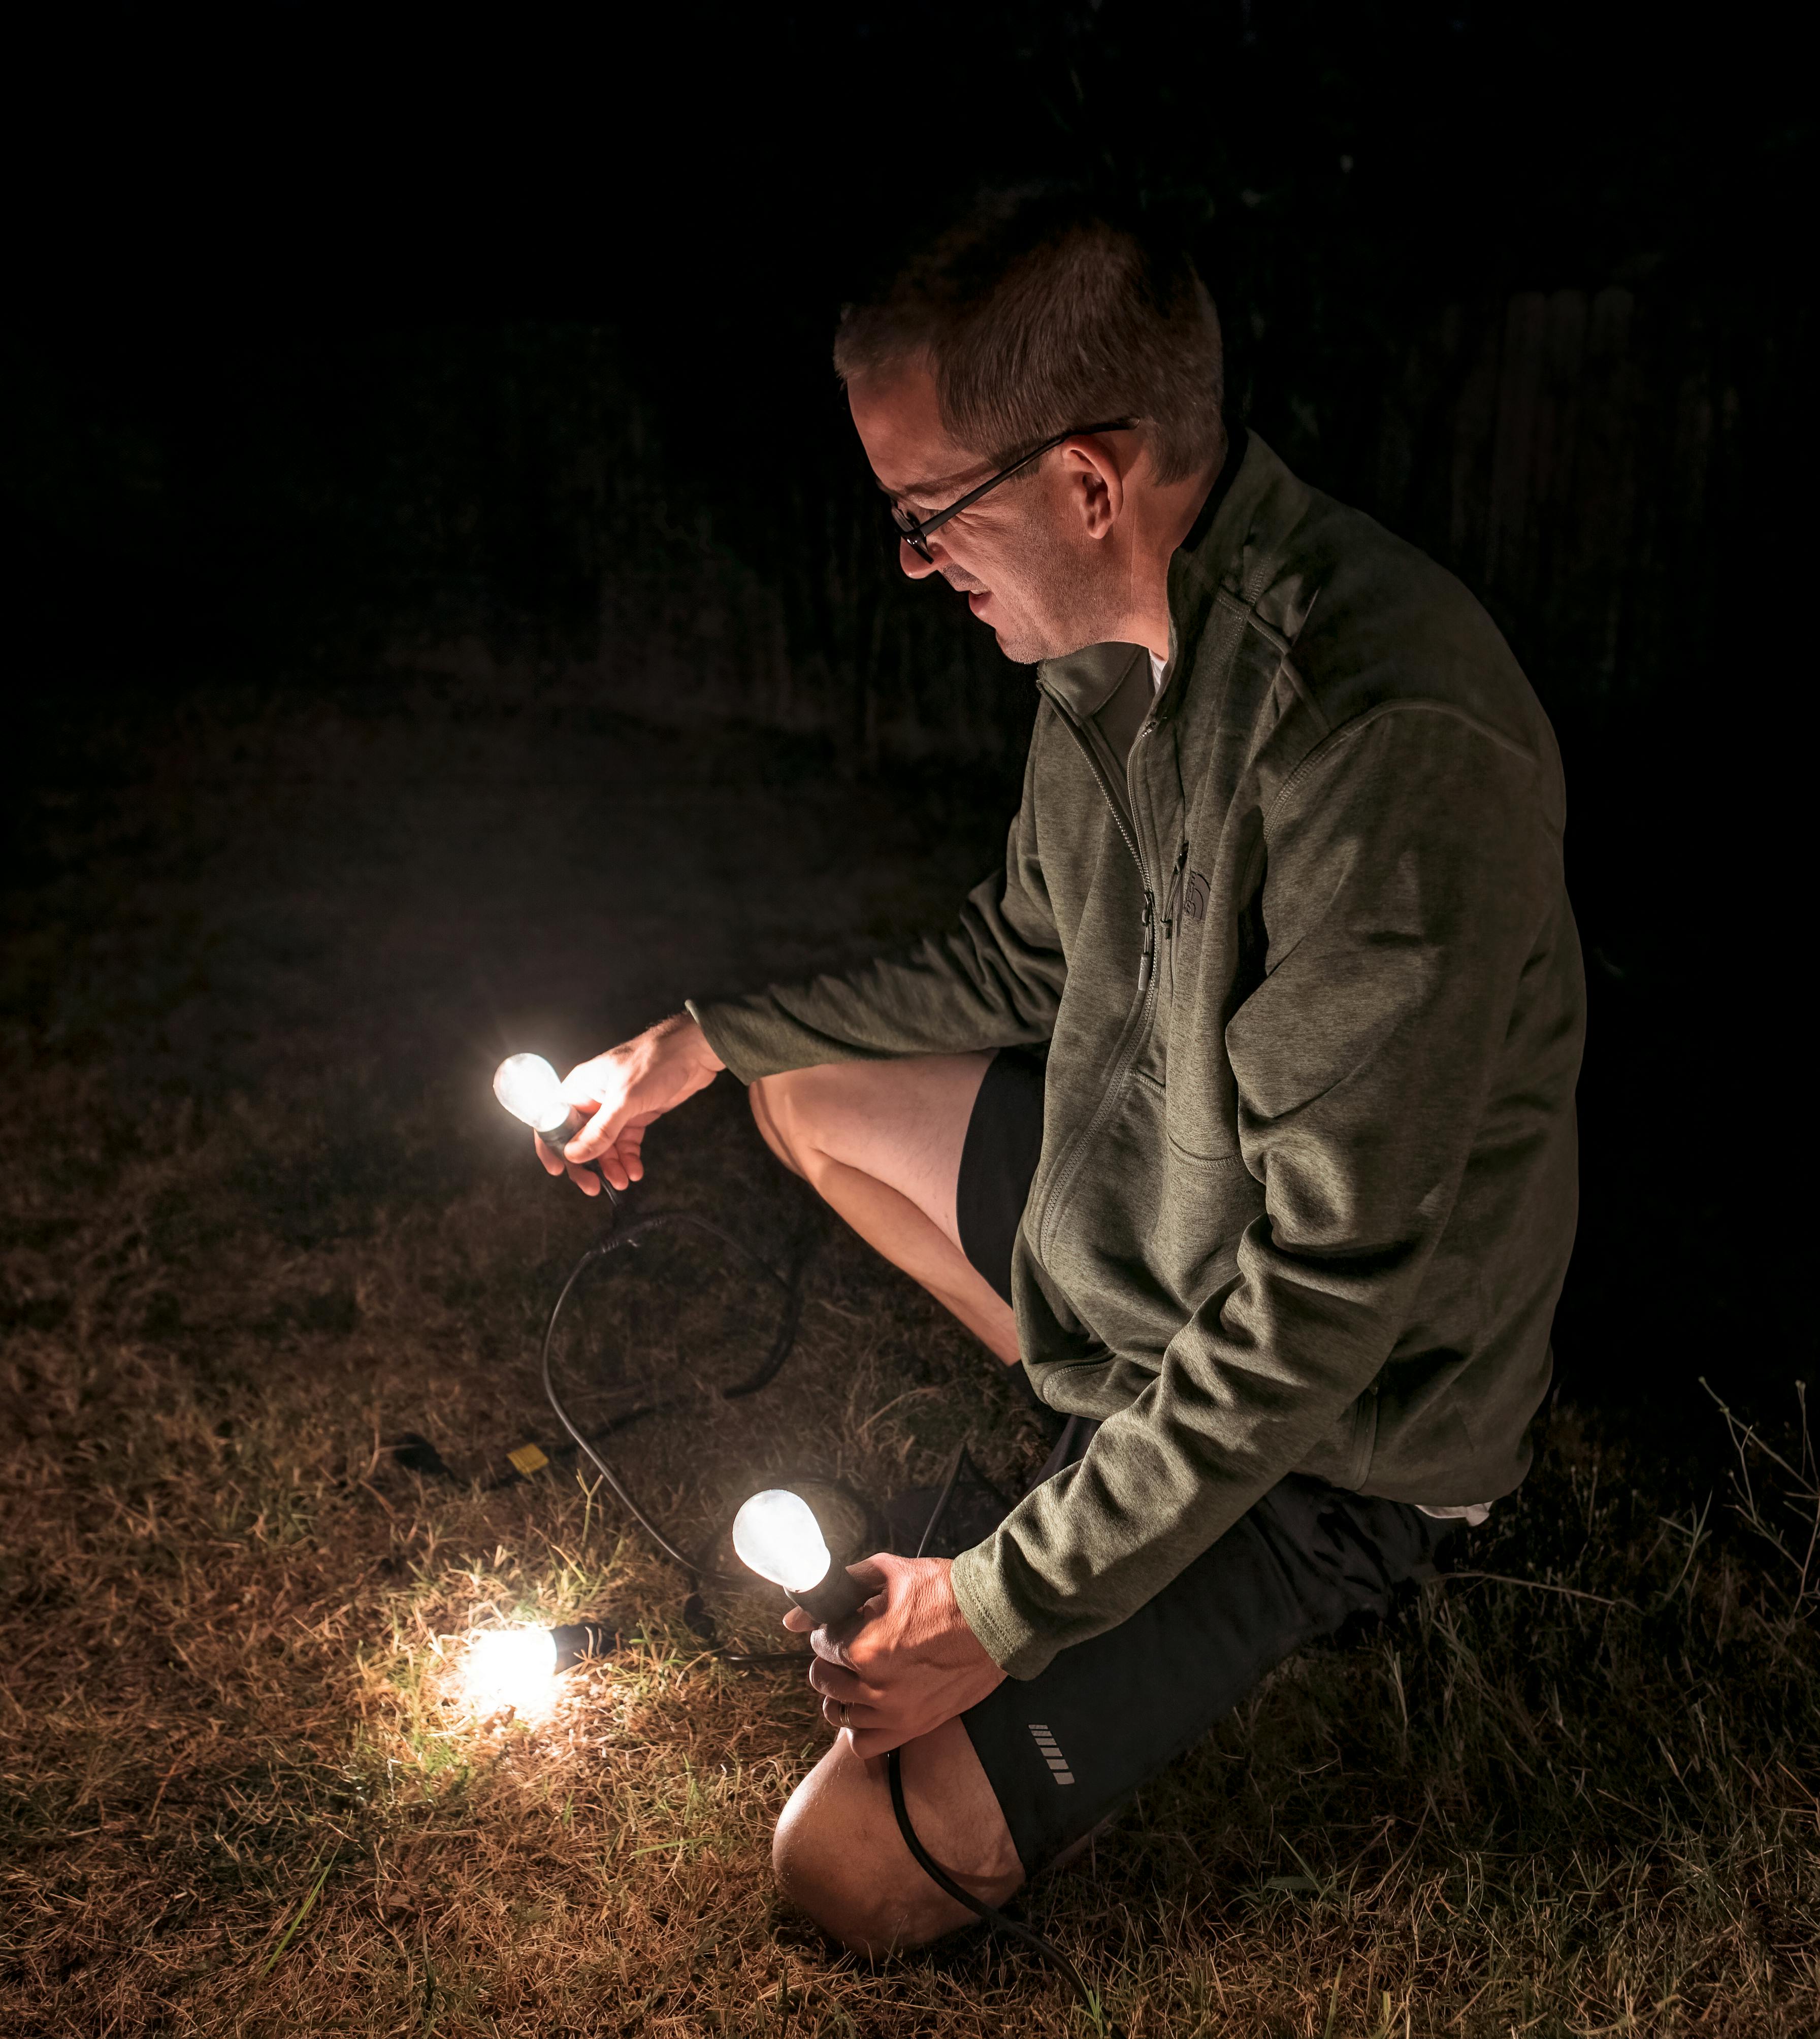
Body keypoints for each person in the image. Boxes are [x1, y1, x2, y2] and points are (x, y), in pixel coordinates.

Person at [533, 188, 1584, 1954]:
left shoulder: (1382, 745)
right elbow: (1024, 952)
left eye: (929, 513)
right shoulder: (1101, 650)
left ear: (1089, 482)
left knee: (844, 1869)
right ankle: (1116, 1444)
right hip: (1169, 1253)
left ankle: (1194, 1528)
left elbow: (1323, 1302)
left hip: (1341, 1429)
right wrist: (704, 1040)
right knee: (807, 1094)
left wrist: (997, 1612)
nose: (913, 561)